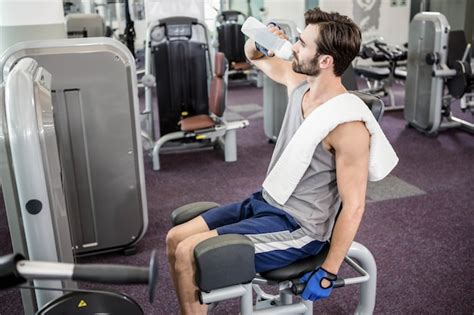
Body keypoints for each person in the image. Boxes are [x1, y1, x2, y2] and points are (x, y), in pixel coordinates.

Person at [166, 8, 373, 314]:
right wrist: (261, 41)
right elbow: (255, 57)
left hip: (299, 228)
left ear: (326, 61)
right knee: (175, 238)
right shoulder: (299, 85)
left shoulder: (348, 126)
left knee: (189, 251)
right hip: (265, 203)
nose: (294, 46)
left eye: (302, 43)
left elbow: (354, 206)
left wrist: (329, 271)